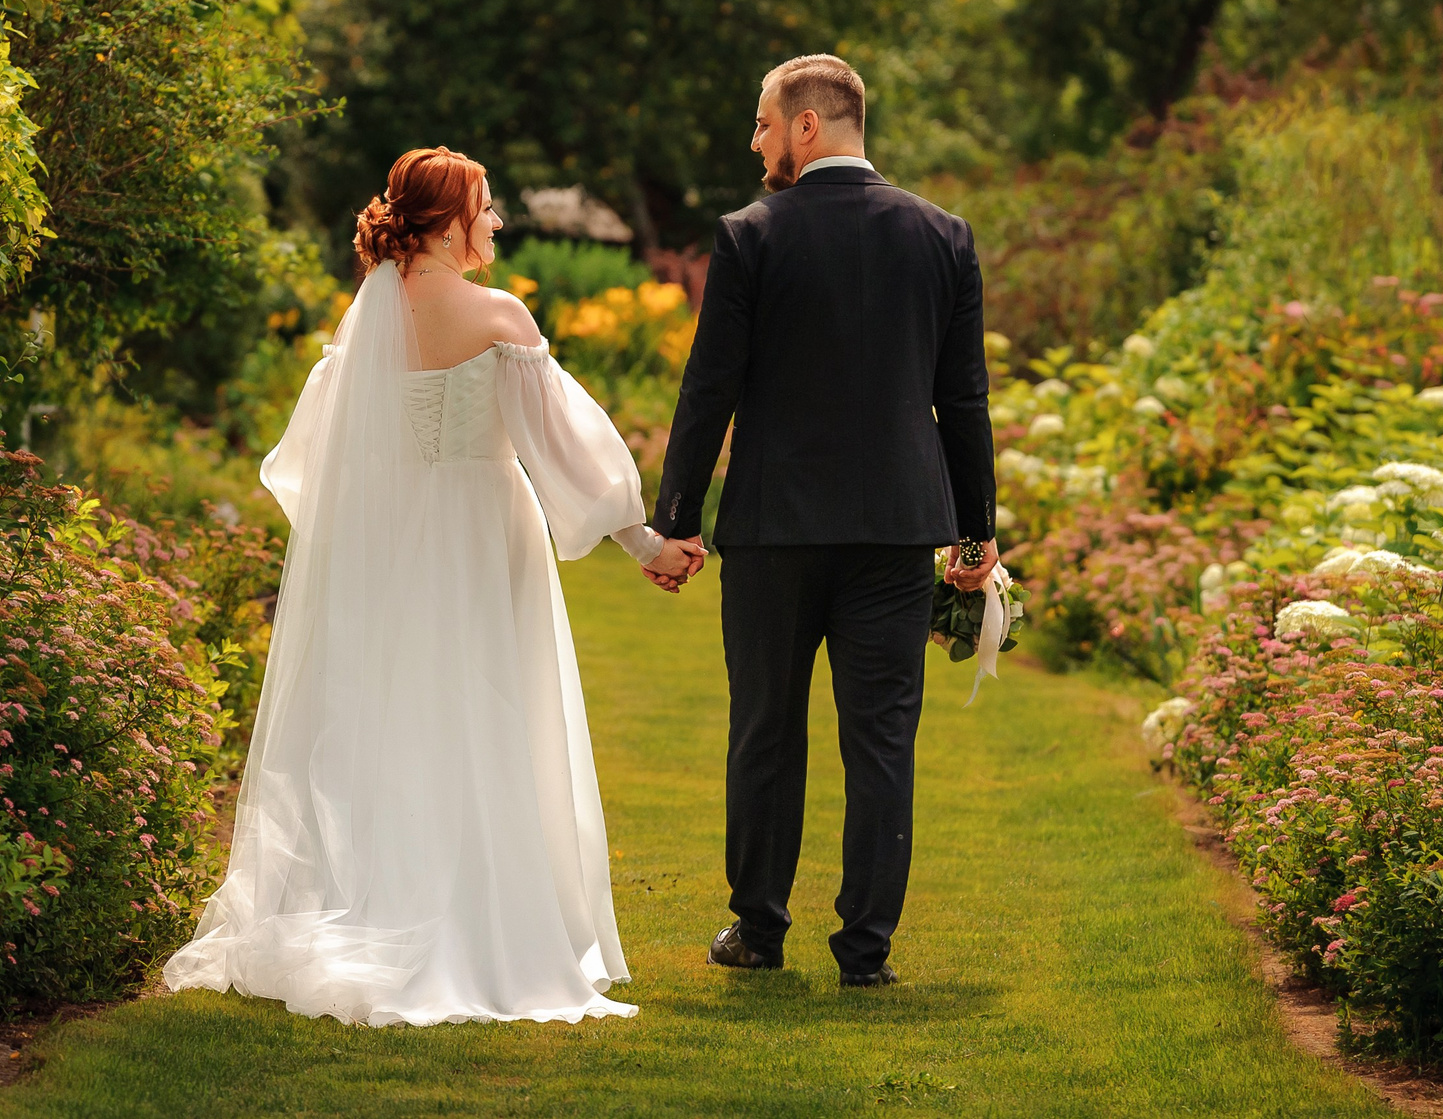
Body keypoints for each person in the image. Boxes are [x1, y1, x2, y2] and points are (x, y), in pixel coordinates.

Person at [161, 147, 707, 1026]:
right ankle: (477, 925)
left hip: (389, 540)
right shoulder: (497, 315)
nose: (495, 223)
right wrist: (642, 539)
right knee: (488, 720)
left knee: (392, 720)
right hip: (483, 535)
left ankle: (380, 904)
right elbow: (559, 445)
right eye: (486, 208)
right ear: (450, 219)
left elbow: (311, 462)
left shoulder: (365, 320)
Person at [651, 54, 998, 989]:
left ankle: (758, 930)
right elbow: (962, 398)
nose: (756, 140)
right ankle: (866, 952)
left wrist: (676, 518)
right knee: (881, 736)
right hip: (895, 532)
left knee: (766, 726)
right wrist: (975, 533)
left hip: (774, 530)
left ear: (807, 126)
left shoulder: (749, 235)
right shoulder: (943, 235)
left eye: (763, 123)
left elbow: (709, 388)